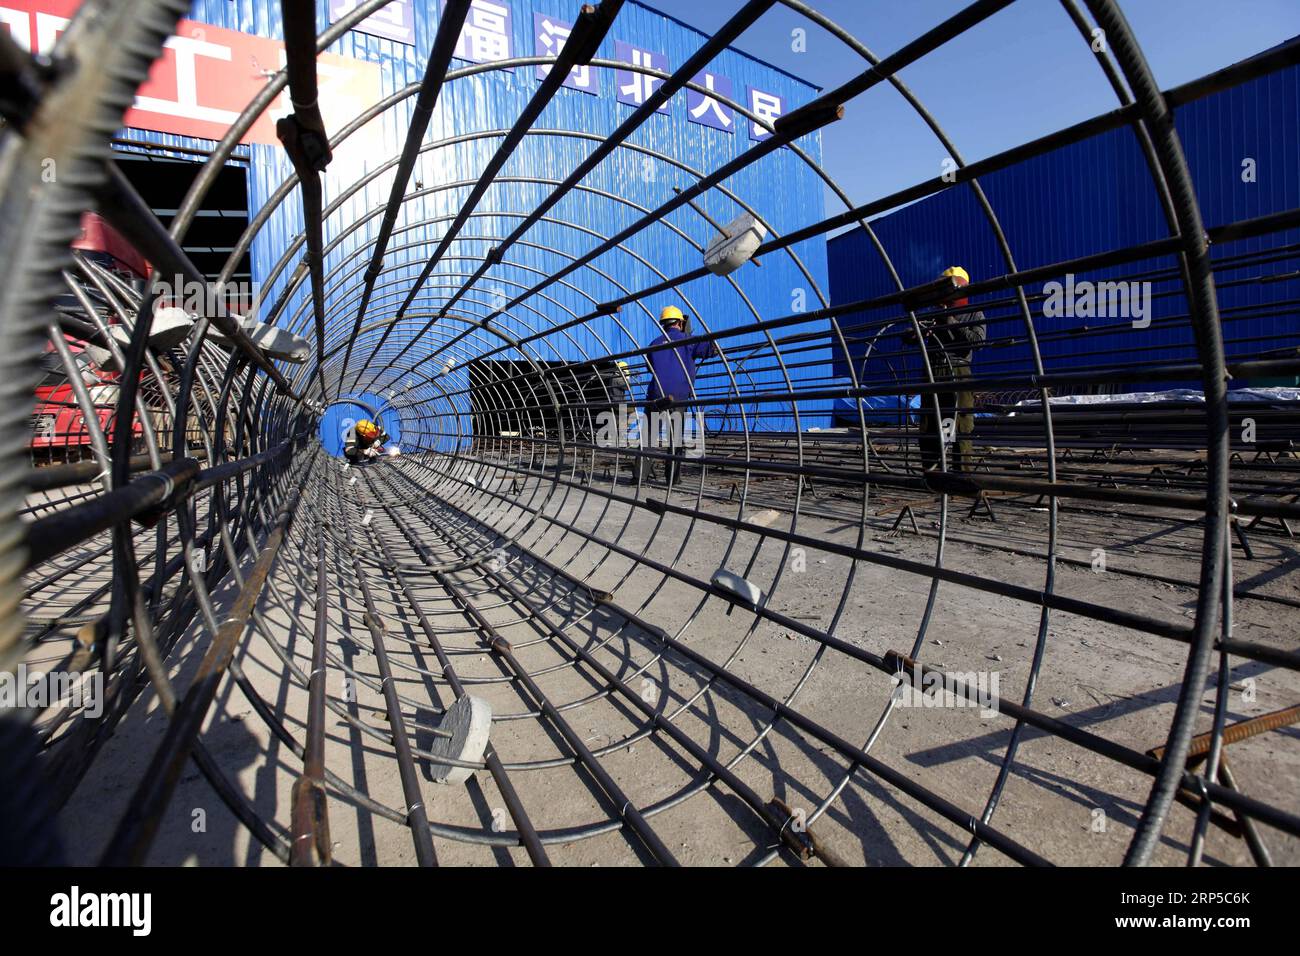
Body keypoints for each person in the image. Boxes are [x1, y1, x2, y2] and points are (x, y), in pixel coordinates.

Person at [909, 266, 985, 474]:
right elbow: (911, 336)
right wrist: (916, 332)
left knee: (960, 423)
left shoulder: (973, 313)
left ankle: (961, 473)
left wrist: (951, 321)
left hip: (959, 370)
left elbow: (977, 341)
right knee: (931, 423)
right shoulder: (933, 314)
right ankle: (933, 472)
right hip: (933, 371)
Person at [644, 305, 716, 485]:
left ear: (663, 324)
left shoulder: (653, 344)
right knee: (675, 439)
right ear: (679, 322)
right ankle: (673, 480)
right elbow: (710, 350)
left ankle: (639, 477)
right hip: (678, 396)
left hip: (656, 395)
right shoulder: (688, 341)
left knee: (649, 438)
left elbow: (650, 367)